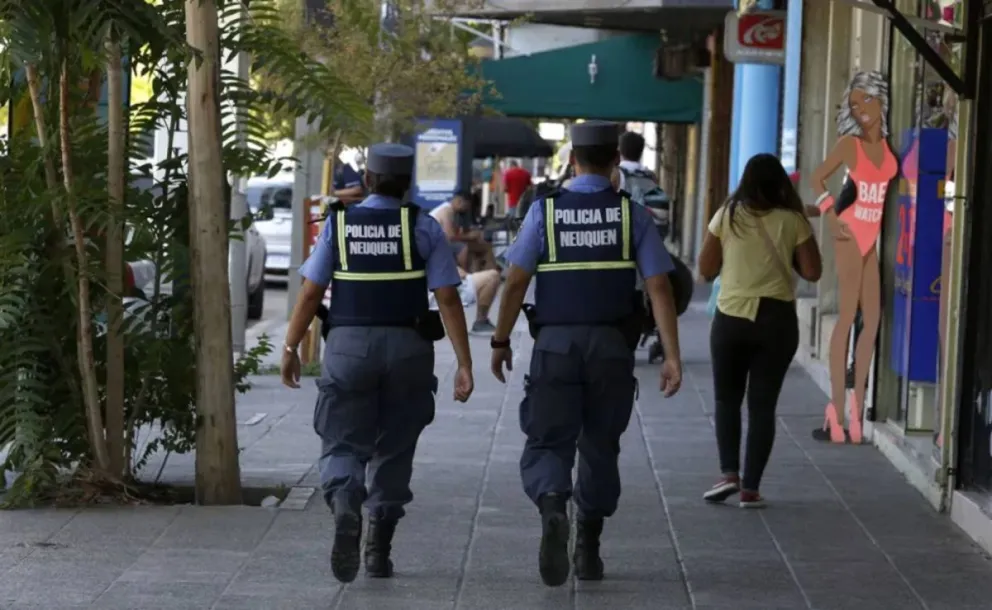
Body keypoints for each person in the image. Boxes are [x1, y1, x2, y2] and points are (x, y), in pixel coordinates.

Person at [489, 121, 683, 587]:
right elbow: (659, 285)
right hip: (613, 349)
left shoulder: (545, 212)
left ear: (573, 160)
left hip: (554, 346)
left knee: (548, 440)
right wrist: (672, 355)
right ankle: (589, 550)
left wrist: (499, 342)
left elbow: (515, 280)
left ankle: (554, 502)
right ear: (616, 160)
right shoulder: (630, 215)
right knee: (600, 445)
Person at [280, 143, 474, 584]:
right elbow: (447, 297)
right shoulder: (422, 227)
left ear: (367, 180)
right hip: (408, 349)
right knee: (395, 447)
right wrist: (464, 362)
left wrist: (291, 349)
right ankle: (377, 551)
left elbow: (311, 293)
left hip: (348, 347)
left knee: (343, 442)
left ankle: (346, 498)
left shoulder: (339, 224)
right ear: (406, 185)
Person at [697, 153, 822, 509]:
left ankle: (728, 474)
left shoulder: (728, 215)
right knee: (763, 406)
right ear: (780, 184)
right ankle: (750, 488)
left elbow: (706, 267)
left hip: (731, 319)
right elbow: (813, 272)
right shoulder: (792, 220)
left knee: (726, 399)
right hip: (776, 321)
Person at [431, 190, 500, 275]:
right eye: (466, 206)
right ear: (459, 201)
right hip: (435, 245)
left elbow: (455, 233)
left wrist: (471, 235)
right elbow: (450, 236)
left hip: (441, 243)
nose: (466, 209)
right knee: (465, 247)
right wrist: (470, 236)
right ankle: (467, 275)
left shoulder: (451, 211)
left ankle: (482, 274)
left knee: (481, 247)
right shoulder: (447, 211)